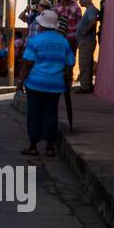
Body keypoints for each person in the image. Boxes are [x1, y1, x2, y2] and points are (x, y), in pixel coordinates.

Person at [17, 9, 75, 158]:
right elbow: (70, 62)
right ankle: (50, 147)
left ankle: (33, 146)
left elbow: (28, 64)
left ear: (41, 26)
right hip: (55, 85)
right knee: (51, 114)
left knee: (35, 114)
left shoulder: (35, 41)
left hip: (35, 84)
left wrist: (20, 82)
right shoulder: (63, 42)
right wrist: (67, 78)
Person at [76, 0, 99, 92]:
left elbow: (93, 22)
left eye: (80, 0)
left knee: (84, 63)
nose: (80, 2)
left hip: (87, 41)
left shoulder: (91, 10)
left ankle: (85, 86)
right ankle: (87, 84)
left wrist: (84, 32)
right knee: (86, 63)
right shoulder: (90, 10)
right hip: (85, 41)